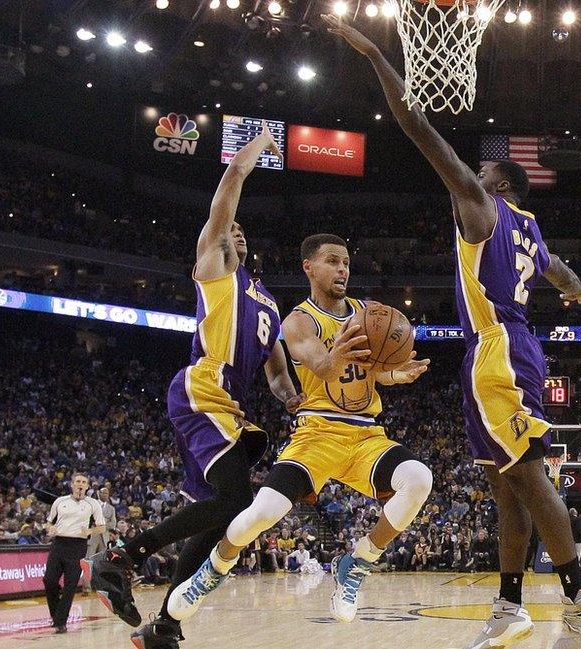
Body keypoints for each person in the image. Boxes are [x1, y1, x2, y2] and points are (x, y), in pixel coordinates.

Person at [321, 16, 581, 649]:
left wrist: (374, 52)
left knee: (528, 476)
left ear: (495, 185)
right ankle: (510, 605)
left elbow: (418, 127)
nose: (467, 178)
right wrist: (572, 285)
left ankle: (578, 589)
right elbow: (557, 267)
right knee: (504, 486)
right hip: (508, 349)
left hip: (498, 349)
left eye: (480, 174)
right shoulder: (530, 228)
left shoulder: (483, 207)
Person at [84, 122, 303, 648]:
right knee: (233, 503)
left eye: (244, 233)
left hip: (237, 407)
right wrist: (255, 147)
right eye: (232, 230)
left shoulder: (268, 301)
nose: (237, 233)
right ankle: (121, 557)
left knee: (217, 526)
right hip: (203, 386)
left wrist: (296, 399)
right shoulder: (215, 268)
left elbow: (276, 373)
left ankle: (164, 627)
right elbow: (230, 184)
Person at [167, 234, 434, 625]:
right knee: (260, 513)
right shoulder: (298, 321)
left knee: (420, 479)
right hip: (316, 434)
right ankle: (214, 569)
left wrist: (395, 373)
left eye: (345, 262)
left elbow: (375, 371)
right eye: (332, 261)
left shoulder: (370, 314)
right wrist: (339, 352)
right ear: (309, 267)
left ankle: (357, 562)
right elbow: (322, 366)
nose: (342, 270)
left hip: (365, 435)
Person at [44, 473, 105, 633]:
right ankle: (56, 615)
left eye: (84, 482)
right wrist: (49, 528)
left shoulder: (93, 504)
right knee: (49, 580)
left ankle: (60, 622)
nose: (80, 484)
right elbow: (49, 522)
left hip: (78, 545)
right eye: (77, 481)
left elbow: (102, 527)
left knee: (70, 585)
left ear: (87, 486)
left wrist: (90, 531)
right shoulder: (60, 501)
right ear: (72, 484)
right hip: (59, 543)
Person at [87, 487, 116, 558]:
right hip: (93, 534)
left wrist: (102, 525)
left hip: (104, 536)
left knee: (101, 559)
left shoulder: (111, 509)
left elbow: (113, 524)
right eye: (103, 493)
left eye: (107, 493)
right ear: (99, 493)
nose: (105, 495)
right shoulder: (92, 504)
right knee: (89, 557)